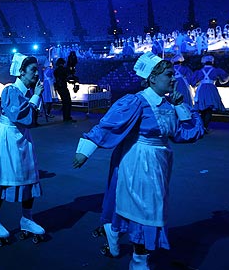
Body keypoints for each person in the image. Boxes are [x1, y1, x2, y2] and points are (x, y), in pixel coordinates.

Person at [73, 52, 204, 270]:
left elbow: (186, 134)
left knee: (140, 207)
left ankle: (114, 235)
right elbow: (109, 125)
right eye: (169, 75)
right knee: (144, 210)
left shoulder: (169, 104)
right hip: (137, 163)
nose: (173, 79)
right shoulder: (136, 102)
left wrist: (181, 106)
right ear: (152, 78)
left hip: (159, 163)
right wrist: (85, 150)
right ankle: (138, 261)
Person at [0, 53, 45, 246]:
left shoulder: (28, 91)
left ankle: (26, 218)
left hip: (22, 136)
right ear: (21, 71)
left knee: (29, 176)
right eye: (33, 70)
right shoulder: (11, 90)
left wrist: (35, 96)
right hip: (7, 136)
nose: (36, 73)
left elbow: (32, 120)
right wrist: (35, 96)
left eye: (37, 69)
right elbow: (20, 115)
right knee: (3, 179)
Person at [190, 55, 229, 132]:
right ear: (212, 62)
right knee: (209, 109)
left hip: (201, 90)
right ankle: (205, 126)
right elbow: (225, 77)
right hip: (211, 89)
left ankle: (201, 126)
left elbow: (192, 82)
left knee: (202, 109)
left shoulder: (199, 71)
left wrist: (199, 82)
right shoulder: (216, 70)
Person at [54, 58, 75, 122]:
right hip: (63, 87)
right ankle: (67, 117)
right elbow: (67, 77)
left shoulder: (56, 70)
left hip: (58, 87)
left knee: (64, 102)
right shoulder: (63, 70)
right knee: (67, 101)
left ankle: (65, 117)